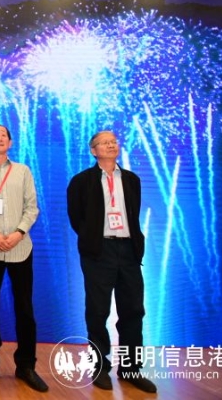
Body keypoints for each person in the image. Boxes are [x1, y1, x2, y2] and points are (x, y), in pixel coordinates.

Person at [66, 130, 157, 393]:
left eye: (113, 142)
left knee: (133, 310)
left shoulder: (131, 179)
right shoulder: (81, 181)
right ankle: (99, 367)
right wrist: (92, 239)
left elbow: (133, 213)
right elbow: (76, 217)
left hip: (128, 250)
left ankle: (130, 368)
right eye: (104, 142)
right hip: (99, 251)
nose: (111, 145)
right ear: (93, 150)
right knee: (98, 311)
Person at [0, 124, 48, 392]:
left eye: (3, 135)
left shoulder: (23, 170)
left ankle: (26, 365)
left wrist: (18, 233)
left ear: (10, 142)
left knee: (25, 307)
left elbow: (32, 207)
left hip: (20, 246)